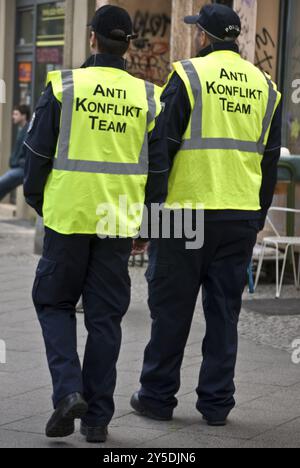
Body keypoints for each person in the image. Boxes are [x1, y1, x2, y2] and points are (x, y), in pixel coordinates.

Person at [131, 4, 282, 427]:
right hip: (238, 214)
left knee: (170, 309)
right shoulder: (266, 86)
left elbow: (161, 153)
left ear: (204, 37)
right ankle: (217, 405)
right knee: (224, 314)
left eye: (198, 31)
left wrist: (148, 220)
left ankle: (158, 398)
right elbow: (268, 165)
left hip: (183, 214)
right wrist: (256, 219)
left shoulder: (188, 76)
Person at [23, 5, 167, 443]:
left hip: (68, 217)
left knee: (53, 303)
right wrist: (146, 224)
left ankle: (69, 392)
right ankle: (98, 420)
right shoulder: (148, 96)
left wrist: (41, 203)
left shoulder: (65, 86)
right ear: (128, 45)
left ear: (92, 40)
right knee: (105, 318)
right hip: (117, 223)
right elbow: (158, 173)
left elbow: (36, 155)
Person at [0, 105, 30, 201]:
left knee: (1, 184)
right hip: (18, 167)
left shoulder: (28, 130)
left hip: (22, 168)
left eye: (16, 114)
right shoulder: (21, 129)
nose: (13, 116)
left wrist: (21, 162)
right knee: (4, 188)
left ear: (24, 116)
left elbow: (27, 151)